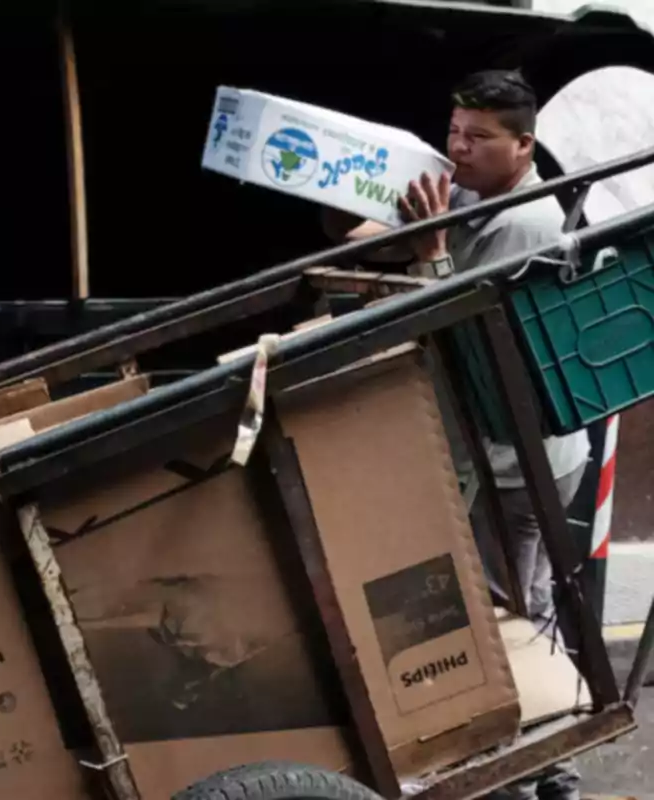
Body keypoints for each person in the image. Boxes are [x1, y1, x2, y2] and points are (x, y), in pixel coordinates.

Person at [328, 70, 588, 800]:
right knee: (498, 606)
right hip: (477, 451)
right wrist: (349, 197)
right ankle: (534, 761)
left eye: (479, 138)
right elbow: (370, 239)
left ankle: (548, 764)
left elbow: (471, 333)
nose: (460, 149)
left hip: (518, 462)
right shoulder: (475, 193)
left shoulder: (528, 223)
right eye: (453, 133)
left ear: (523, 145)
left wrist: (431, 246)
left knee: (514, 609)